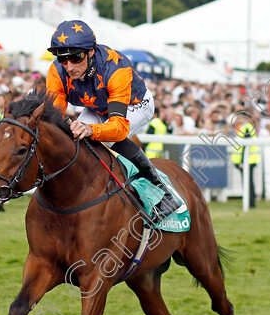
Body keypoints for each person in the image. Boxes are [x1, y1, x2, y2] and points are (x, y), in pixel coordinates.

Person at [45, 20, 177, 223]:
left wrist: (90, 129)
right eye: (63, 59)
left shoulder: (116, 67)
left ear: (90, 52)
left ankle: (163, 192)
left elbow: (119, 128)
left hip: (135, 104)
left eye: (75, 58)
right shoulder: (56, 72)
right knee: (74, 141)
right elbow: (53, 119)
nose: (69, 67)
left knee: (107, 139)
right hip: (97, 107)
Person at [230, 115, 259, 208]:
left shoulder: (246, 128)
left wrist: (242, 161)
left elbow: (245, 146)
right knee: (249, 181)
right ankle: (250, 201)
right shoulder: (247, 127)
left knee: (248, 182)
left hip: (247, 160)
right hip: (249, 160)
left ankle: (250, 202)